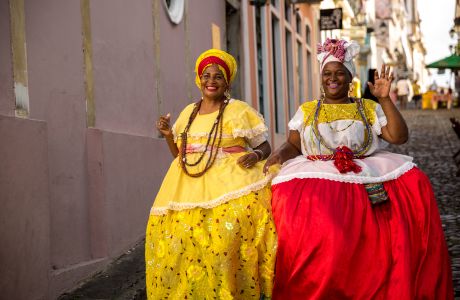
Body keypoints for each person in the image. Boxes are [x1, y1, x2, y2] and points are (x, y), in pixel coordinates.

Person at [264, 38, 453, 299]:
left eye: (340, 73)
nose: (333, 79)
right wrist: (277, 155)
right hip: (317, 175)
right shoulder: (307, 111)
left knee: (412, 186)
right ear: (321, 78)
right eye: (328, 74)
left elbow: (398, 137)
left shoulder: (368, 108)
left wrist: (385, 99)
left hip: (365, 173)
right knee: (316, 229)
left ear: (350, 77)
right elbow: (293, 145)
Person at [145, 49, 277, 299]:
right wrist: (168, 136)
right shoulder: (187, 113)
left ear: (226, 82)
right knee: (181, 241)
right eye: (206, 76)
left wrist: (257, 155)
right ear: (199, 80)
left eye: (218, 77)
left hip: (232, 180)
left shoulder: (239, 110)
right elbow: (179, 155)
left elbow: (264, 145)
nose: (211, 81)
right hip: (187, 182)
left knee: (227, 237)